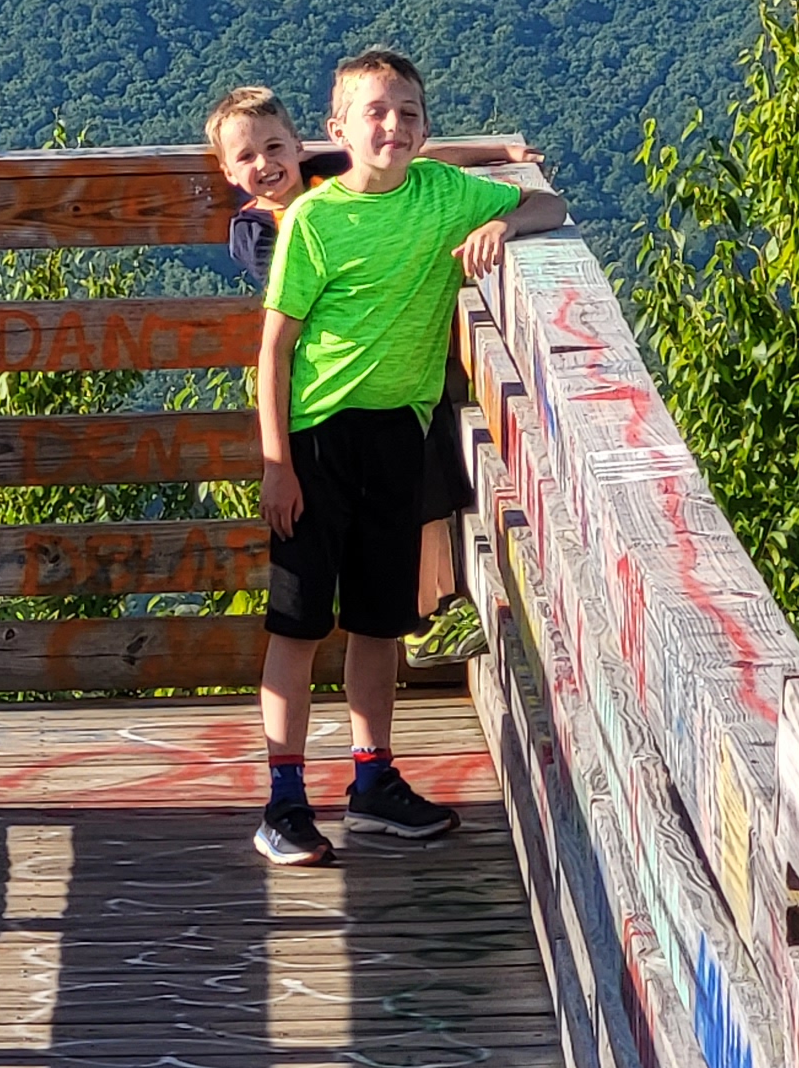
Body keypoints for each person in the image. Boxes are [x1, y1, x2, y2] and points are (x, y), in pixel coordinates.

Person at [245, 47, 566, 864]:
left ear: (425, 127)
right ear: (338, 130)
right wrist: (276, 464)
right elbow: (274, 351)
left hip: (398, 436)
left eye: (409, 114)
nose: (393, 126)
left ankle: (371, 782)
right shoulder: (317, 220)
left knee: (379, 623)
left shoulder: (443, 194)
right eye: (375, 113)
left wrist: (500, 220)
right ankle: (283, 800)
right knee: (298, 623)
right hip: (318, 440)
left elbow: (549, 205)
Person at [204, 84, 486, 670]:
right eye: (248, 158)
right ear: (229, 173)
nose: (266, 165)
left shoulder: (334, 172)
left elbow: (411, 163)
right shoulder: (260, 231)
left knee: (430, 482)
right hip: (322, 398)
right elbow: (290, 308)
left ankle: (429, 608)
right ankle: (415, 616)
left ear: (302, 145)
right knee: (330, 547)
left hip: (398, 379)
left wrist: (499, 159)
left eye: (275, 147)